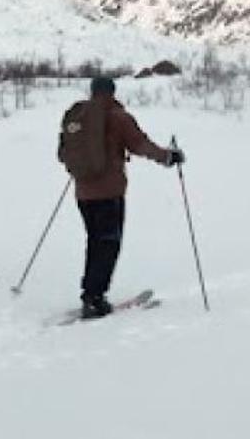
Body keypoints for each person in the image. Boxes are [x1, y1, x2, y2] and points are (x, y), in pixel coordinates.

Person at [68, 76, 183, 319]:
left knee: (95, 242)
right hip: (109, 194)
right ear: (112, 91)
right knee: (108, 245)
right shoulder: (118, 117)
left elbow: (62, 153)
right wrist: (167, 157)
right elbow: (140, 144)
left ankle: (91, 293)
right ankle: (94, 298)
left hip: (83, 193)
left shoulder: (79, 117)